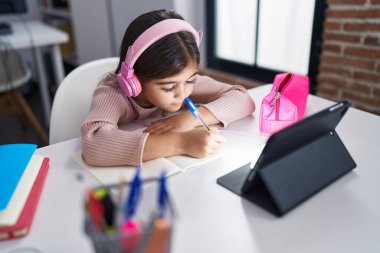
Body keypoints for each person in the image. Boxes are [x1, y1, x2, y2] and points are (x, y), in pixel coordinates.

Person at [81, 9, 255, 167]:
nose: (182, 93)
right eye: (169, 88)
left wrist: (189, 119)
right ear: (134, 80)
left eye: (190, 80)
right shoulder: (112, 94)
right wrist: (181, 143)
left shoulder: (182, 81)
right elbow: (94, 143)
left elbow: (243, 99)